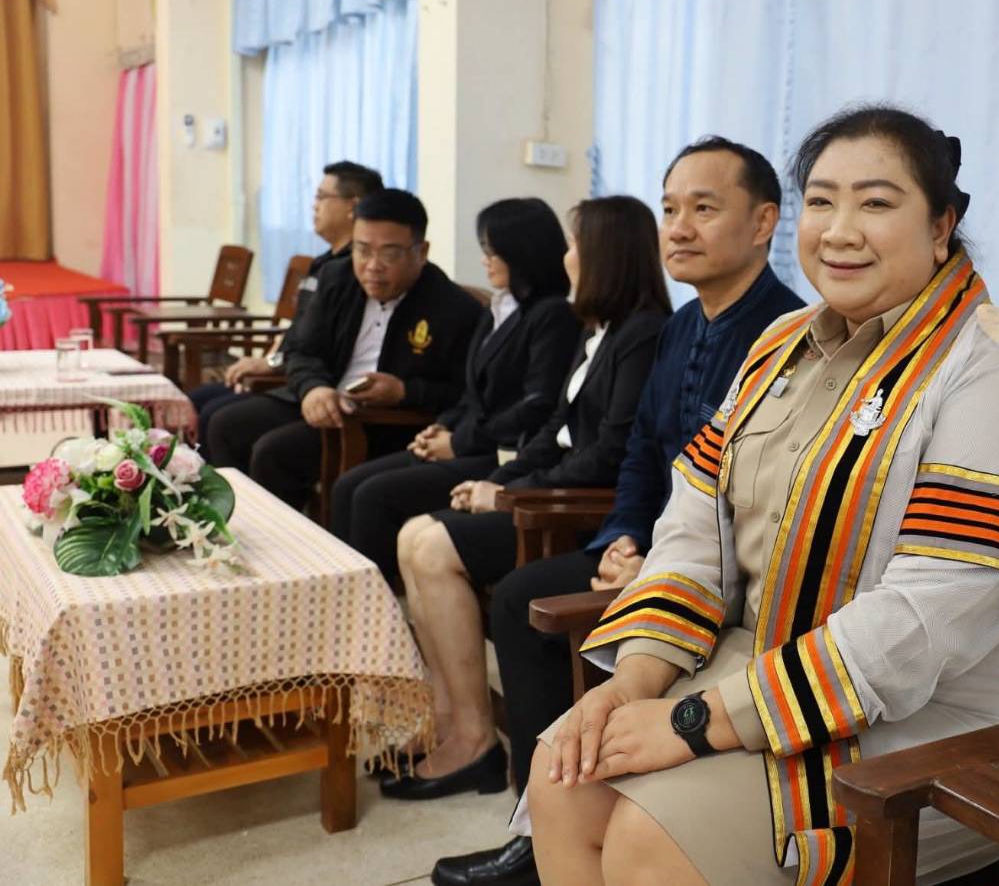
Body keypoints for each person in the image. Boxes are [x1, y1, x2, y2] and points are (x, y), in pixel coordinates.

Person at [523, 106, 999, 886]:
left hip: (950, 718)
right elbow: (694, 528)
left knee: (651, 839)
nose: (840, 231)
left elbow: (923, 622)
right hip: (764, 670)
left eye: (876, 202)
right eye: (822, 201)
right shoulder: (778, 345)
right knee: (562, 775)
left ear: (941, 226)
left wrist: (695, 721)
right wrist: (635, 682)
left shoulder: (996, 376)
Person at [429, 137, 804, 886]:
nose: (679, 228)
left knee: (524, 600)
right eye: (670, 209)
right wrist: (623, 534)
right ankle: (543, 816)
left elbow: (761, 499)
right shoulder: (681, 327)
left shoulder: (786, 335)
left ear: (764, 222)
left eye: (704, 209)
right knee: (521, 596)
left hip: (721, 579)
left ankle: (553, 823)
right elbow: (637, 452)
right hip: (657, 550)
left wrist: (655, 559)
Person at [384, 196, 671, 801]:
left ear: (607, 255)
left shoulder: (643, 334)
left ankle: (475, 742)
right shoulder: (599, 329)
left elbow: (609, 453)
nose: (567, 258)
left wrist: (510, 494)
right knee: (413, 536)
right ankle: (450, 716)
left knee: (433, 549)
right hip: (551, 489)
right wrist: (504, 479)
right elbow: (554, 430)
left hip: (579, 512)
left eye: (577, 245)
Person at [328, 198, 581, 582]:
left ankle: (376, 606)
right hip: (467, 440)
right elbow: (470, 394)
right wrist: (442, 427)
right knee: (348, 485)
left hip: (501, 453)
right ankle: (342, 595)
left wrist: (459, 441)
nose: (485, 260)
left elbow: (537, 406)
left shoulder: (552, 314)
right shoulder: (500, 307)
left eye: (493, 252)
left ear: (522, 253)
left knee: (373, 495)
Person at [205, 189, 484, 510]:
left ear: (421, 252)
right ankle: (231, 522)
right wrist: (313, 388)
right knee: (226, 425)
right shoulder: (336, 278)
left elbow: (462, 394)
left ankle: (286, 539)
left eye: (389, 254)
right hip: (325, 397)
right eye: (362, 250)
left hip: (388, 421)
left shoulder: (454, 309)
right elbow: (303, 350)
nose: (372, 266)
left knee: (276, 452)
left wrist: (403, 391)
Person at [188, 160, 384, 447]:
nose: (314, 206)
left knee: (220, 419)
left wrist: (272, 364)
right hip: (293, 372)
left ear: (352, 206)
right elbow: (300, 332)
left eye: (322, 197)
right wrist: (271, 359)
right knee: (200, 400)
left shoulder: (354, 274)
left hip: (307, 382)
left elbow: (321, 345)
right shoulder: (323, 263)